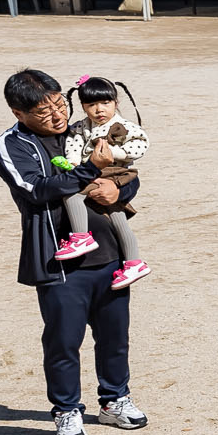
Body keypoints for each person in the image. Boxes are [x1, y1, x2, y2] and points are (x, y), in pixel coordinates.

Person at [0, 69, 144, 435]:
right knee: (63, 340)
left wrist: (118, 189)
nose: (57, 115)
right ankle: (66, 411)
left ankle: (114, 401)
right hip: (57, 258)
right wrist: (90, 170)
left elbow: (127, 169)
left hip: (109, 250)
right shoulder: (11, 145)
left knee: (115, 336)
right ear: (19, 113)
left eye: (59, 103)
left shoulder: (85, 126)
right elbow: (37, 188)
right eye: (43, 112)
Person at [54, 75, 149, 287]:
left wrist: (116, 152)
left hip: (114, 172)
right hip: (93, 172)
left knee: (72, 194)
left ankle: (80, 237)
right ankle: (134, 262)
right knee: (118, 219)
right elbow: (73, 144)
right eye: (92, 105)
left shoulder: (123, 126)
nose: (99, 110)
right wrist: (74, 162)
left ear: (116, 102)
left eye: (105, 103)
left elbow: (141, 143)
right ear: (83, 106)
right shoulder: (80, 126)